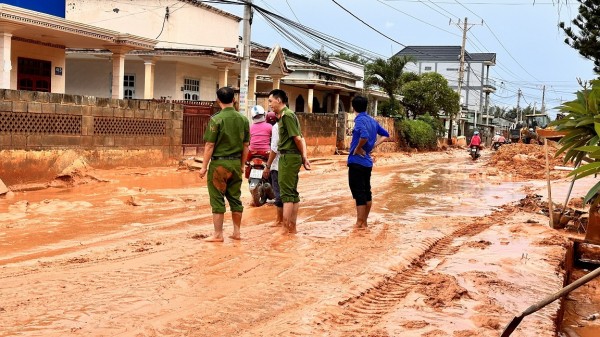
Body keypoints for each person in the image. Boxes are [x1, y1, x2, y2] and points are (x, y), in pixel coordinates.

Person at [199, 87, 250, 242]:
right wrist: (242, 165)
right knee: (235, 198)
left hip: (219, 164)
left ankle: (218, 234)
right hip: (235, 163)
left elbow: (209, 145)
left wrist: (203, 167)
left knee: (217, 198)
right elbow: (246, 145)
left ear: (218, 101)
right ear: (234, 100)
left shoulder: (216, 119)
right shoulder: (243, 120)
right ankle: (237, 232)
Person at [263, 89, 311, 235]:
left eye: (271, 101)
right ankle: (291, 227)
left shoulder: (288, 116)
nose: (270, 104)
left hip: (289, 156)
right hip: (289, 156)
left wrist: (303, 157)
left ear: (279, 100)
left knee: (286, 193)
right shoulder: (284, 116)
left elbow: (298, 138)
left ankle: (286, 227)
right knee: (291, 193)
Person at [347, 95, 390, 229]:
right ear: (366, 106)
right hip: (367, 163)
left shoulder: (359, 120)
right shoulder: (372, 121)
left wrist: (358, 148)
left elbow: (364, 136)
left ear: (353, 107)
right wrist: (373, 146)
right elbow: (386, 135)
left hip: (356, 161)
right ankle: (364, 222)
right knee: (367, 192)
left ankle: (360, 223)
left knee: (359, 193)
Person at [266, 111, 283, 227]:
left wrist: (267, 166)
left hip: (277, 165)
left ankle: (279, 220)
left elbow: (274, 149)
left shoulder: (276, 128)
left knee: (278, 193)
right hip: (287, 163)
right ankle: (287, 221)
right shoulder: (291, 125)